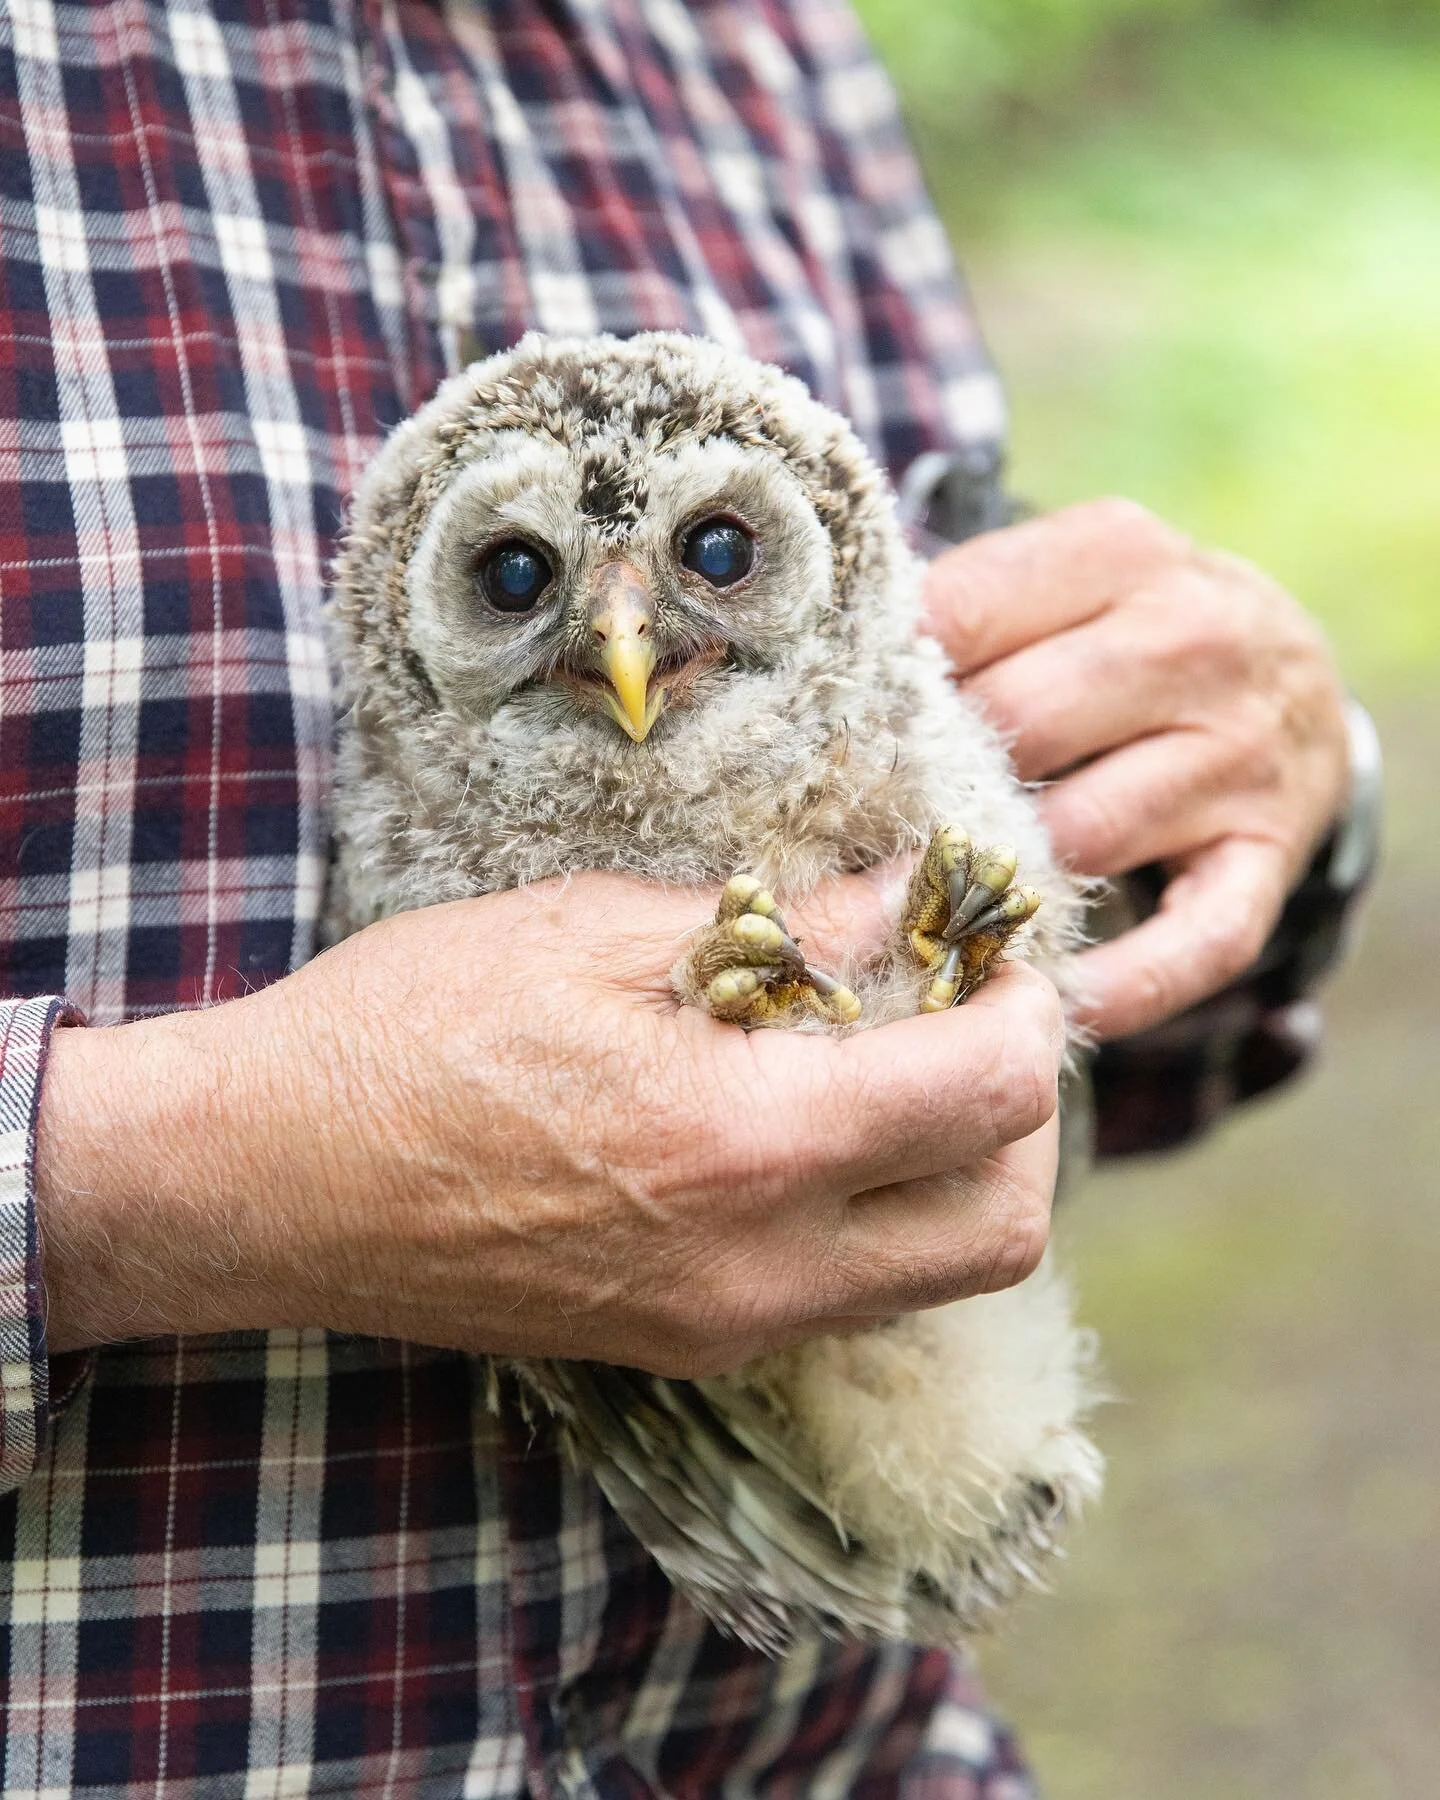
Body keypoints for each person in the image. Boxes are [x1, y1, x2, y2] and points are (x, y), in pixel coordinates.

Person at [0, 0, 1371, 1791]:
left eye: (716, 553)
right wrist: (168, 1179)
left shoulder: (762, 36)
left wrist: (1251, 781)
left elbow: (1052, 1037)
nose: (631, 638)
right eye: (515, 575)